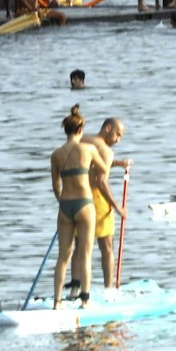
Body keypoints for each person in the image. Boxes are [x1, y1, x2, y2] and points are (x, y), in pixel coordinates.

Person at [49, 105, 97, 309]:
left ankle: (57, 302)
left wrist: (62, 201)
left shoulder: (56, 154)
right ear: (81, 129)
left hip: (65, 206)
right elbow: (103, 168)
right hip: (84, 204)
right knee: (85, 254)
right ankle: (85, 300)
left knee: (63, 256)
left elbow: (55, 185)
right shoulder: (89, 149)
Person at [81, 117, 130, 290]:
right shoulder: (106, 151)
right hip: (97, 199)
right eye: (117, 134)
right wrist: (117, 207)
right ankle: (109, 289)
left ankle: (77, 289)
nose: (118, 140)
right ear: (107, 128)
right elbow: (101, 181)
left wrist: (118, 164)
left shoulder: (84, 140)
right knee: (107, 247)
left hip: (79, 196)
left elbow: (94, 164)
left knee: (80, 247)